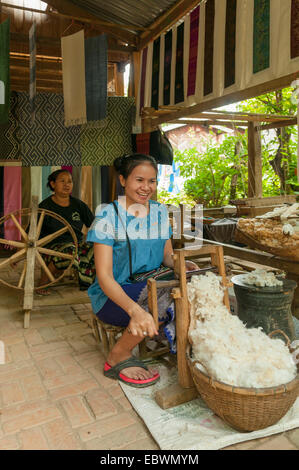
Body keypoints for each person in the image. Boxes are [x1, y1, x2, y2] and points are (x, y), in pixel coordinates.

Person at [87, 153, 198, 388]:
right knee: (166, 295)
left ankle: (193, 348)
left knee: (199, 282)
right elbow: (104, 277)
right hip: (114, 297)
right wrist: (135, 311)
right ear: (123, 180)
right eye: (139, 180)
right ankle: (118, 355)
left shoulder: (159, 212)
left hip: (151, 283)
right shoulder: (108, 216)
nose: (146, 187)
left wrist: (180, 264)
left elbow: (166, 256)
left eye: (152, 181)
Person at [37, 169, 95, 294]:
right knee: (69, 250)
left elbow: (94, 224)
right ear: (53, 184)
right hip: (51, 247)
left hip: (76, 244)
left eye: (69, 181)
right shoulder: (45, 206)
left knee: (97, 248)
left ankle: (89, 281)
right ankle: (43, 282)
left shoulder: (78, 205)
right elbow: (32, 231)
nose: (67, 184)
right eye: (62, 181)